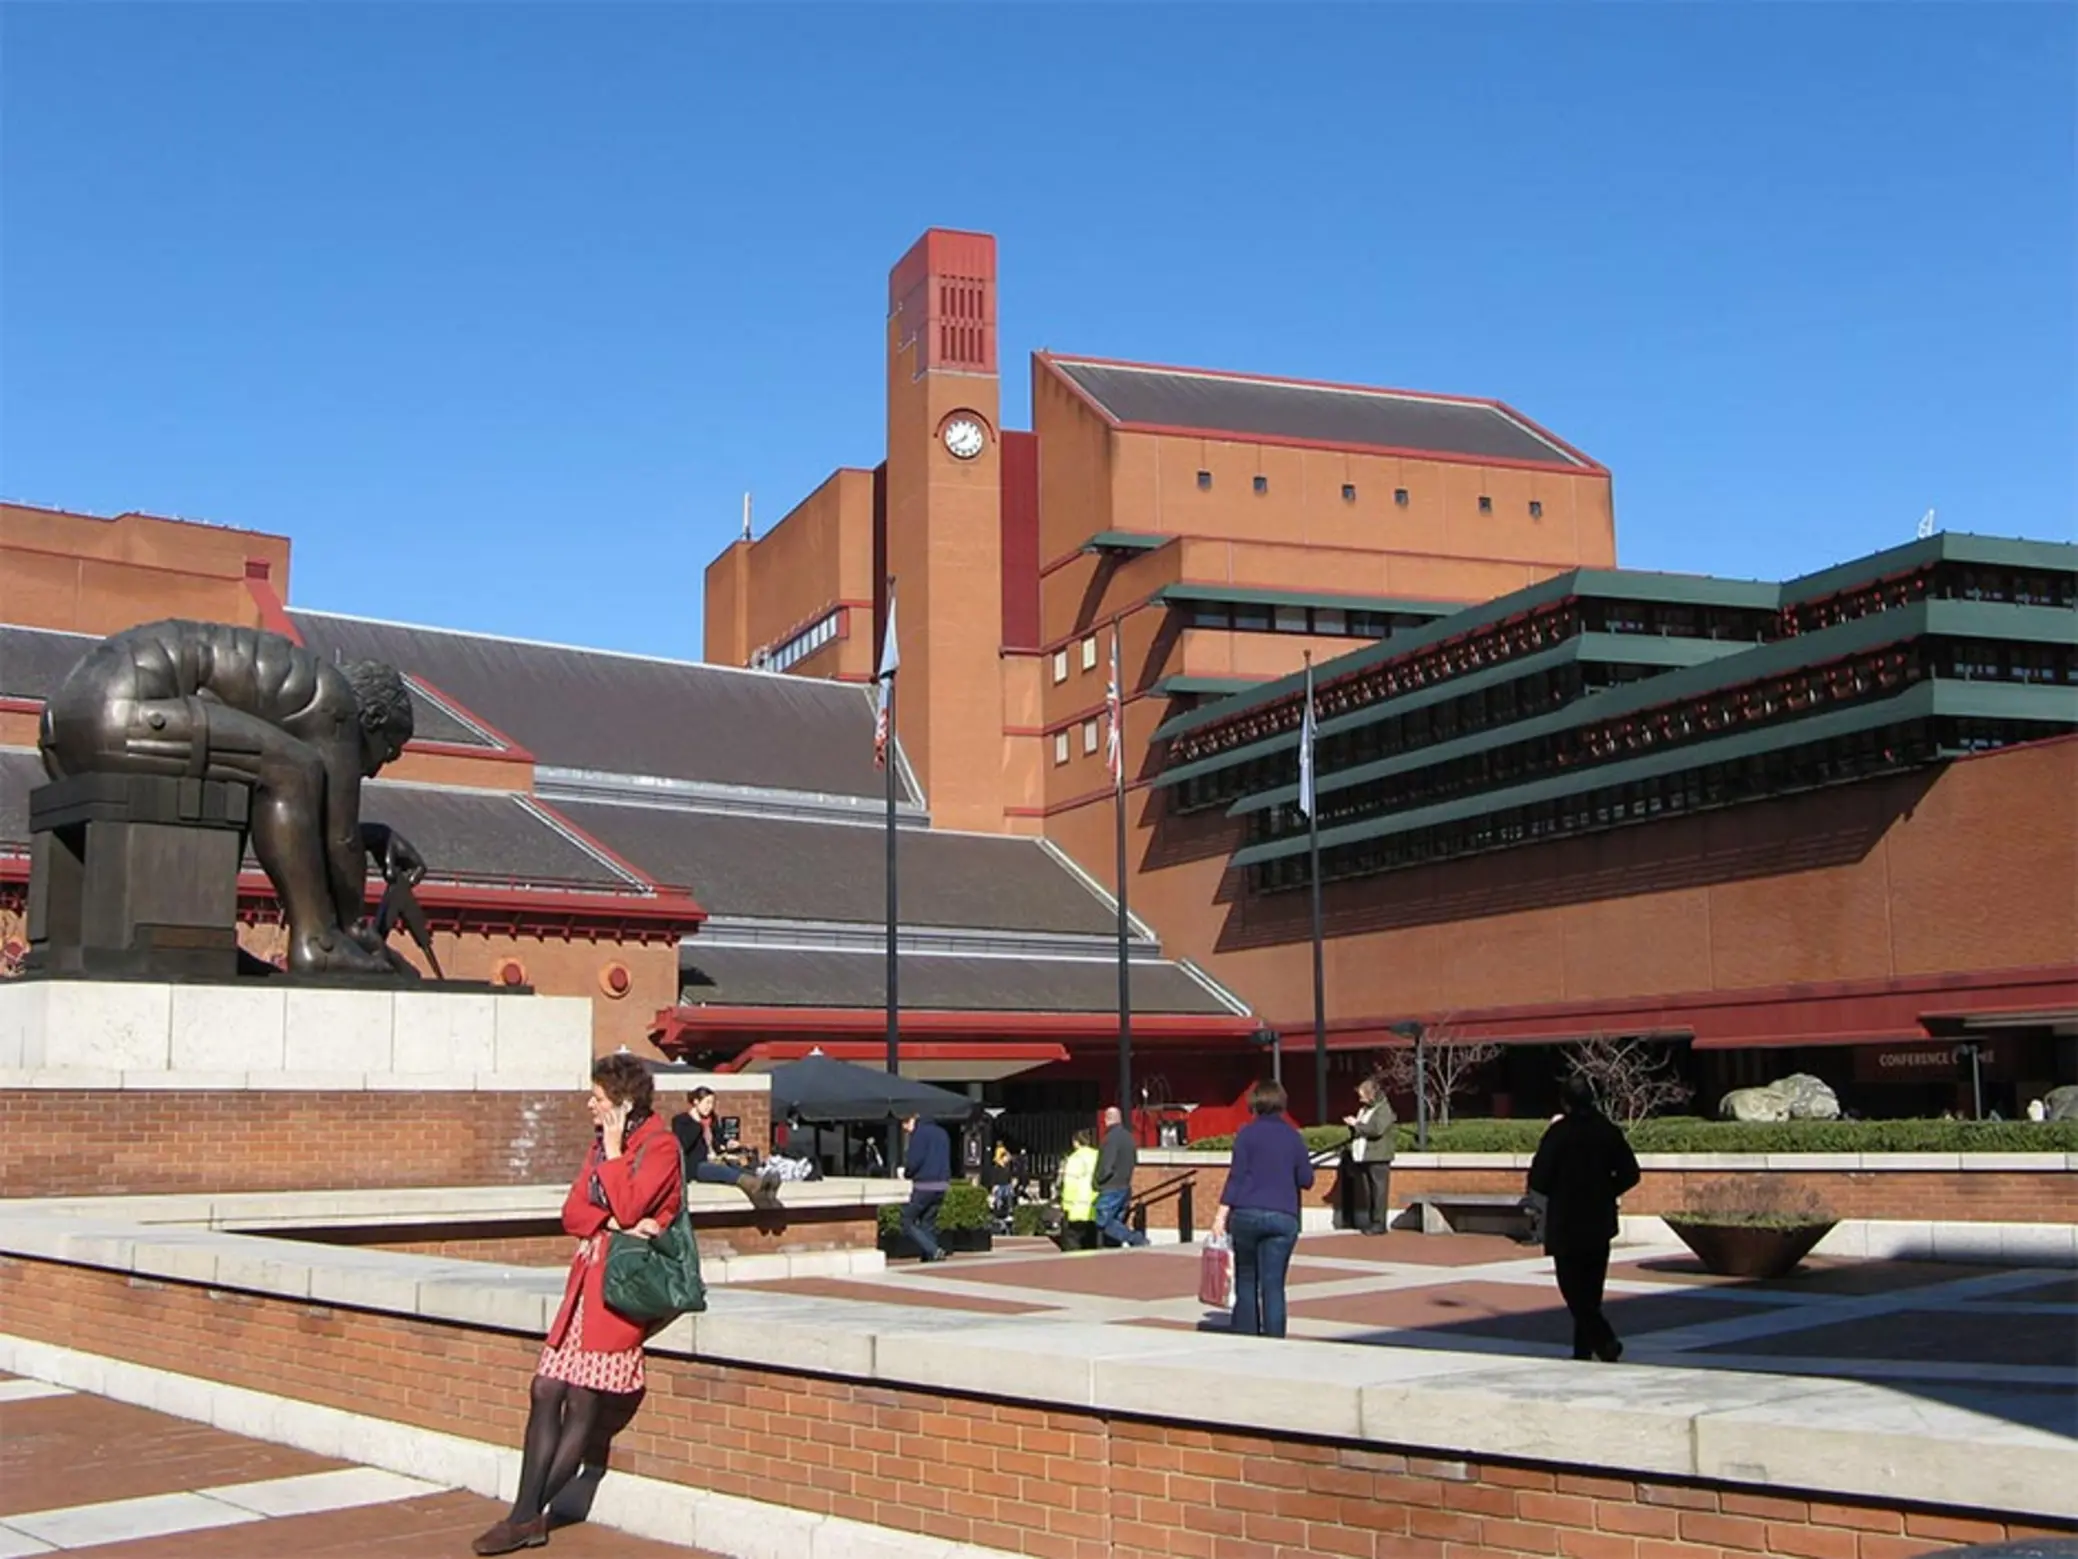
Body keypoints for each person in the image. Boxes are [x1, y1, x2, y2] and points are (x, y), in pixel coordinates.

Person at [38, 618, 421, 977]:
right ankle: (317, 943)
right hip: (125, 710)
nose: (372, 770)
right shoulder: (336, 704)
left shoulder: (295, 688)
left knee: (252, 769)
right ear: (370, 720)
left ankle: (206, 940)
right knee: (293, 769)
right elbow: (340, 836)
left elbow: (314, 825)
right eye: (388, 752)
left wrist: (373, 834)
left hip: (65, 720)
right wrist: (354, 930)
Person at [472, 1053, 684, 1556]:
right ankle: (527, 1515)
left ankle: (524, 1517)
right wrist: (610, 1219)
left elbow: (635, 1205)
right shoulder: (597, 1148)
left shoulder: (661, 1146)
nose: (590, 1105)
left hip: (619, 1291)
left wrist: (613, 1159)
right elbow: (573, 1212)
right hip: (584, 1287)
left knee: (584, 1401)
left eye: (599, 1099)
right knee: (546, 1388)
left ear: (623, 1105)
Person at [1527, 1075, 1642, 1364]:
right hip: (1599, 1220)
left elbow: (1539, 1179)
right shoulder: (1608, 1131)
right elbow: (1631, 1173)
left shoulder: (1559, 1133)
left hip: (1566, 1221)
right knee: (1591, 1290)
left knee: (1573, 1291)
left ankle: (1603, 1341)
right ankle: (1584, 1350)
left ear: (1565, 1102)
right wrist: (1607, 1191)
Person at [1211, 1080, 1315, 1338]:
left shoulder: (1246, 1134)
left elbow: (1235, 1177)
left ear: (1254, 1105)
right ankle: (1275, 1340)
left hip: (1246, 1213)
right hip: (1283, 1215)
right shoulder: (1293, 1137)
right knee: (1274, 1285)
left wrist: (1220, 1216)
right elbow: (1307, 1179)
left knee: (1246, 1280)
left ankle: (1246, 1336)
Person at [672, 1087, 781, 1209]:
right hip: (696, 1165)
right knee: (721, 1170)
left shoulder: (712, 1119)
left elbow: (718, 1140)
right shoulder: (681, 1120)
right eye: (707, 1102)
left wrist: (728, 1143)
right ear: (696, 1102)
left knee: (737, 1166)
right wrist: (696, 1124)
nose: (710, 1107)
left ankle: (761, 1189)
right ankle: (755, 1185)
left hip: (716, 1158)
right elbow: (683, 1144)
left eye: (712, 1103)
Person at [1342, 1076, 1396, 1235]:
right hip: (1364, 1156)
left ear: (1370, 1093)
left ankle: (1379, 1223)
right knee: (1368, 1191)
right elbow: (1363, 1129)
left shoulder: (1383, 1109)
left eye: (1362, 1094)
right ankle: (1372, 1221)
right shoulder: (1365, 1109)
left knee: (1378, 1191)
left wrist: (1356, 1125)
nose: (1360, 1098)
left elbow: (1377, 1129)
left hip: (1378, 1156)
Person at [1093, 1105, 1149, 1248]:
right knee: (1116, 1221)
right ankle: (1115, 1251)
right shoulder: (1129, 1137)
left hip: (1111, 1187)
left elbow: (1106, 1166)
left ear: (1107, 1119)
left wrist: (1097, 1181)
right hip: (1125, 1186)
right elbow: (1134, 1160)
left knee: (1103, 1221)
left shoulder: (1110, 1139)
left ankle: (1136, 1239)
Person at [900, 1111, 952, 1262]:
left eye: (905, 1123)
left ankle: (933, 1250)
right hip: (942, 1184)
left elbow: (915, 1160)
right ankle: (929, 1255)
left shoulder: (919, 1134)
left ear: (913, 1119)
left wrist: (906, 1173)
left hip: (924, 1184)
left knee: (906, 1220)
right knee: (927, 1222)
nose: (904, 1128)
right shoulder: (942, 1133)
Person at [1057, 1129, 1100, 1251]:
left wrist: (1066, 1206)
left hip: (1077, 1209)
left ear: (1075, 1142)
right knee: (1091, 1245)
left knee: (1072, 1245)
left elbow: (1070, 1185)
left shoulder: (1074, 1158)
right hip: (1094, 1208)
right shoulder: (1097, 1155)